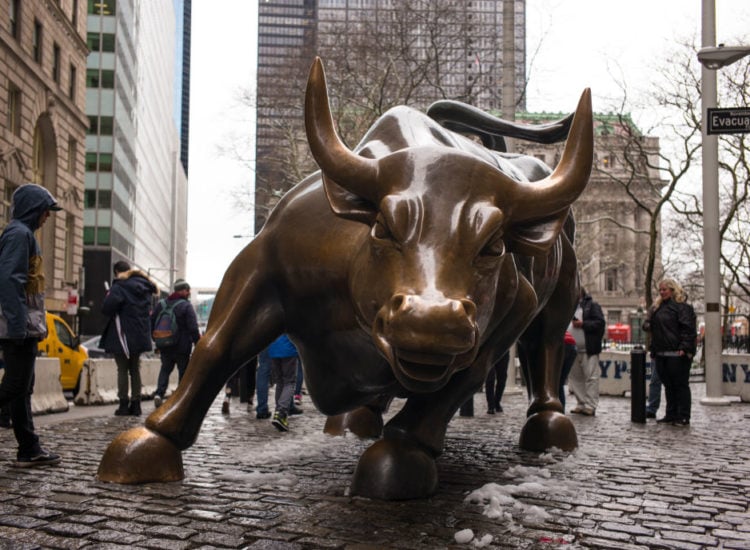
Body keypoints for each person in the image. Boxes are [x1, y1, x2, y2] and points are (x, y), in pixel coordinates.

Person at [0, 183, 62, 467]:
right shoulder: (19, 235)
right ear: (33, 210)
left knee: (22, 388)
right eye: (45, 211)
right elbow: (11, 282)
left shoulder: (23, 235)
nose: (47, 217)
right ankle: (29, 447)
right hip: (18, 327)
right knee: (15, 386)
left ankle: (29, 447)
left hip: (24, 326)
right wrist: (17, 327)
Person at [101, 260, 157, 416]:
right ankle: (136, 405)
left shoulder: (119, 286)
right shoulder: (145, 287)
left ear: (117, 272)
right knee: (135, 369)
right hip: (139, 334)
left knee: (122, 370)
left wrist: (109, 296)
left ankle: (124, 405)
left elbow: (107, 308)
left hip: (122, 334)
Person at [642, 278, 696, 426]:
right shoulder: (657, 308)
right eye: (660, 290)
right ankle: (671, 414)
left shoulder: (682, 308)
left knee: (680, 385)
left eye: (664, 289)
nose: (662, 292)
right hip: (661, 352)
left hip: (677, 353)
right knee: (669, 386)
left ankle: (683, 415)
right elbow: (647, 325)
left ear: (672, 290)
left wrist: (684, 349)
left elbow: (688, 330)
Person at [152, 279, 201, 407]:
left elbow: (152, 322)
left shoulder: (161, 304)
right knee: (183, 371)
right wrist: (198, 343)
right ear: (183, 291)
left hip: (165, 344)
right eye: (187, 290)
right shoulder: (186, 306)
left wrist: (157, 339)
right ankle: (180, 398)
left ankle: (159, 393)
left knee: (165, 369)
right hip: (182, 346)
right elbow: (193, 327)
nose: (189, 293)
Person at [569, 287, 605, 416]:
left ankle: (590, 405)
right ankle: (581, 402)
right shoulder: (568, 306)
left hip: (588, 349)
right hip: (572, 349)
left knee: (591, 378)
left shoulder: (592, 306)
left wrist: (583, 324)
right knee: (575, 378)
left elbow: (600, 323)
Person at [268, 334, 299, 432]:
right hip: (288, 350)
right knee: (289, 382)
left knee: (280, 382)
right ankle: (281, 412)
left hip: (273, 349)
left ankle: (278, 413)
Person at [559, 330, 578, 413]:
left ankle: (559, 411)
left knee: (556, 383)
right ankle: (561, 411)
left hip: (560, 342)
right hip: (572, 345)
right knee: (559, 383)